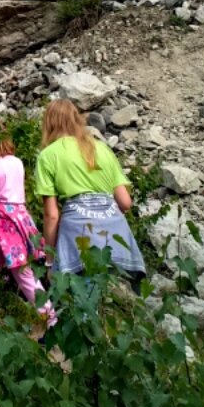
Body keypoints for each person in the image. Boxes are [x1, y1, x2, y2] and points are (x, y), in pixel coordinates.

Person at [35, 98, 146, 286]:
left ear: (49, 123)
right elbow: (125, 203)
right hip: (116, 232)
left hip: (78, 234)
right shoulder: (102, 148)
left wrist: (50, 260)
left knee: (81, 301)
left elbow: (52, 215)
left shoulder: (48, 155)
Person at [0, 132, 56, 328]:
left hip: (1, 222)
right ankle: (51, 317)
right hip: (21, 218)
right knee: (23, 271)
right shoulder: (17, 162)